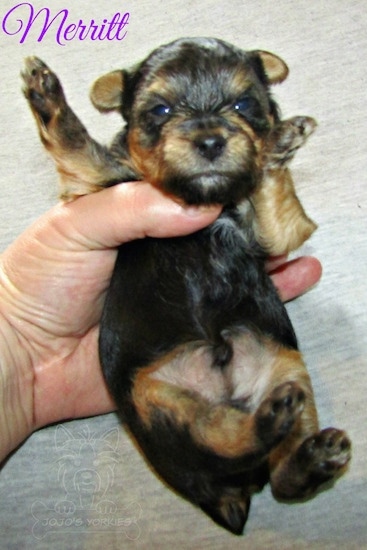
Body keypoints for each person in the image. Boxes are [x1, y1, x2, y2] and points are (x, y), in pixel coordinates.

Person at [0, 182, 322, 462]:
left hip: (195, 347)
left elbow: (283, 231)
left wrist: (16, 331)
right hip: (178, 358)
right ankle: (278, 450)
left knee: (279, 380)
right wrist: (14, 327)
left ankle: (287, 453)